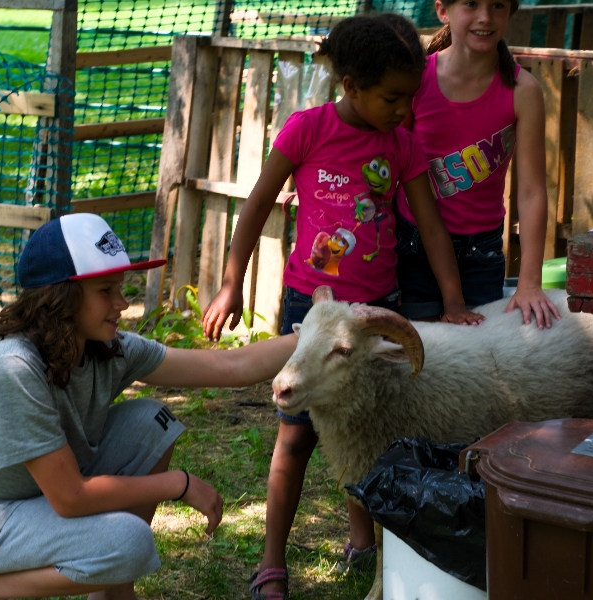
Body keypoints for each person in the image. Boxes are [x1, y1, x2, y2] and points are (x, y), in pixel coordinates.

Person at [200, 14, 482, 600]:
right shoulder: (307, 130)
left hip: (375, 308)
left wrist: (454, 301)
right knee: (296, 438)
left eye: (411, 97)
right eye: (392, 97)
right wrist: (231, 283)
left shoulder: (402, 144)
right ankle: (272, 561)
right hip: (313, 307)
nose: (404, 109)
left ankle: (364, 542)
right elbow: (254, 209)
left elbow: (430, 227)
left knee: (370, 434)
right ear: (351, 86)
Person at [0, 213, 297, 600]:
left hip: (34, 498)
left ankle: (112, 591)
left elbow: (231, 365)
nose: (122, 302)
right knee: (129, 543)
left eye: (120, 287)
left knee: (153, 421)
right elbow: (70, 498)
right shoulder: (12, 366)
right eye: (105, 290)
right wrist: (178, 484)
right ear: (59, 296)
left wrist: (323, 329)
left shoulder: (108, 347)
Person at [396, 0, 561, 328]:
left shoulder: (523, 90)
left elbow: (530, 192)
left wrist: (529, 283)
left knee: (477, 363)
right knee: (418, 353)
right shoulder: (415, 80)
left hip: (480, 253)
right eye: (471, 4)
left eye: (498, 5)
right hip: (413, 246)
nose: (485, 17)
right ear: (443, 10)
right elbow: (390, 170)